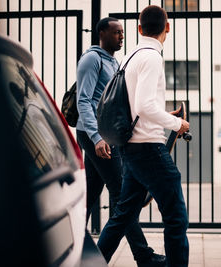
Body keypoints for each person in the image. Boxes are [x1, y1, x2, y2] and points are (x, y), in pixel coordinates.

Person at [96, 5, 190, 267]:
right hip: (149, 149)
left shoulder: (131, 55)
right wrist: (176, 123)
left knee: (123, 215)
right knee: (176, 217)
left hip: (131, 147)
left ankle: (92, 262)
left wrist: (163, 114)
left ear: (139, 29)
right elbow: (144, 107)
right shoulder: (151, 57)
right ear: (167, 28)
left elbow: (137, 104)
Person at [75, 17, 166, 267]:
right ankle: (144, 256)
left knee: (91, 192)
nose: (121, 36)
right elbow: (84, 101)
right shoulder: (91, 59)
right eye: (116, 32)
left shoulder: (114, 61)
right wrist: (96, 138)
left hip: (105, 135)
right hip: (94, 134)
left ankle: (72, 243)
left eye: (123, 32)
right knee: (121, 193)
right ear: (101, 33)